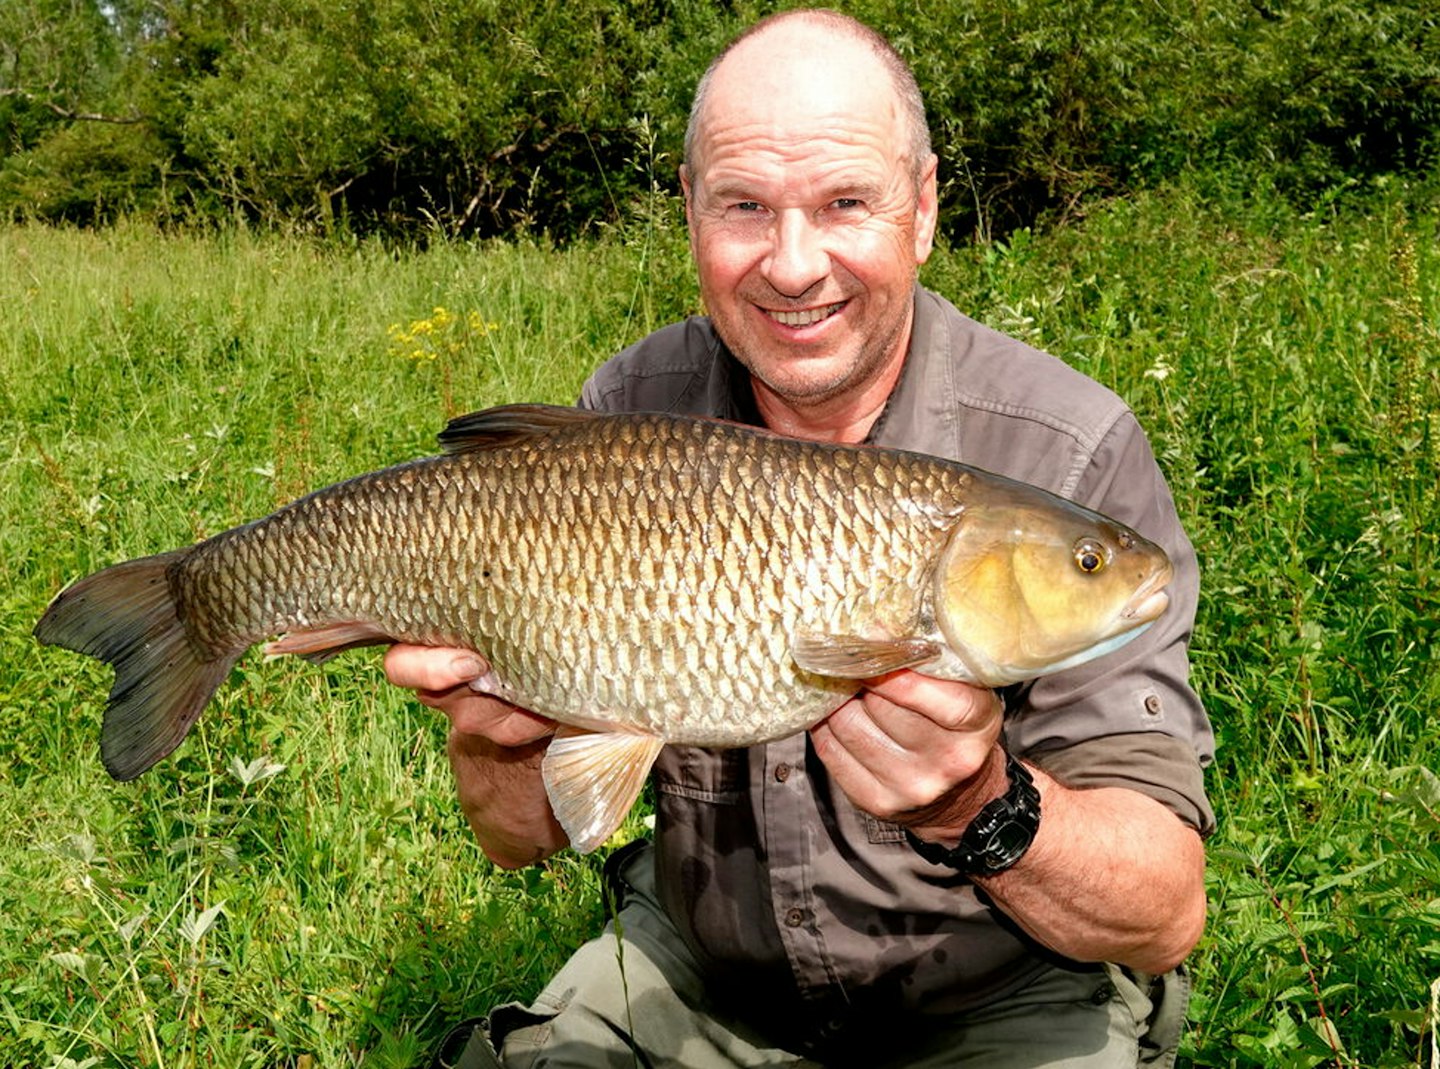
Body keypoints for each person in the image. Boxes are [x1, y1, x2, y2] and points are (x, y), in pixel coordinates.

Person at [388, 10, 1214, 1068]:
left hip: (999, 992)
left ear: (921, 210)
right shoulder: (631, 412)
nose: (792, 263)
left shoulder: (1068, 449)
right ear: (690, 214)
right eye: (745, 207)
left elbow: (1161, 915)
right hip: (704, 975)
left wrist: (979, 803)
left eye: (845, 204)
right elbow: (521, 838)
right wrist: (498, 735)